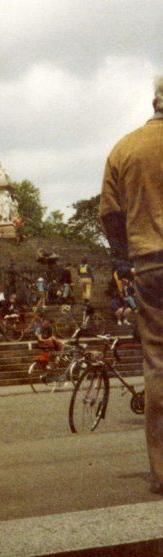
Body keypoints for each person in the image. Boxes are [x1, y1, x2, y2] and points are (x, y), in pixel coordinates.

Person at [99, 76, 163, 495]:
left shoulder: (125, 147)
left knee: (158, 364)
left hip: (150, 264)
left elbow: (109, 213)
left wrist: (131, 249)